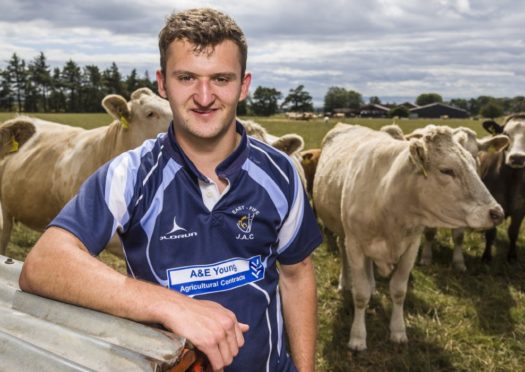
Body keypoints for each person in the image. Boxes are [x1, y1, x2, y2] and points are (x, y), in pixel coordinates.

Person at [19, 8, 322, 372]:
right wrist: (172, 305)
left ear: (244, 85)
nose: (205, 96)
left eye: (221, 79)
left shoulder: (281, 171)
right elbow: (43, 265)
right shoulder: (130, 174)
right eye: (187, 78)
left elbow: (296, 273)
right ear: (163, 85)